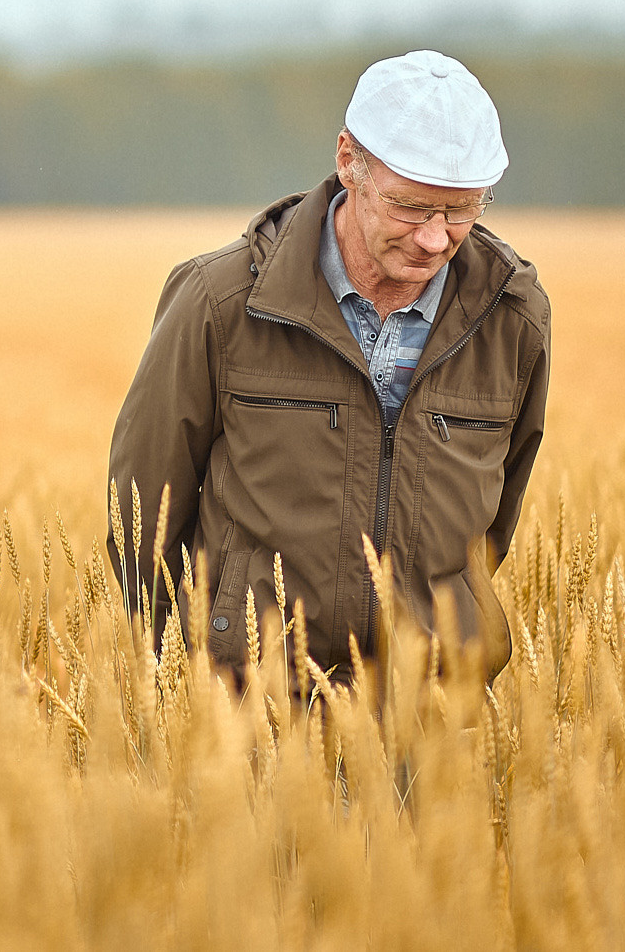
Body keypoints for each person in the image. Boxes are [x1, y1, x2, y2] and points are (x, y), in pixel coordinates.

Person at [107, 49, 550, 683]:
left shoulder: (512, 316)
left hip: (431, 718)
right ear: (348, 161)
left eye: (461, 212)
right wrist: (155, 691)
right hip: (253, 711)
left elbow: (493, 519)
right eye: (411, 207)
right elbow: (144, 509)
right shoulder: (220, 302)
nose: (435, 238)